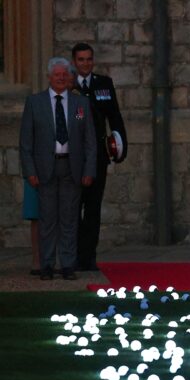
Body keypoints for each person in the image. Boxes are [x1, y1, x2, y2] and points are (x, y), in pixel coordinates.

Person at [19, 57, 96, 280]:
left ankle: (68, 265)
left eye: (64, 75)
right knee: (47, 220)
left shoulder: (80, 104)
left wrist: (89, 170)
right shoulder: (35, 103)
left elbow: (90, 140)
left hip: (72, 167)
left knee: (70, 219)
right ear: (49, 77)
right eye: (57, 75)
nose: (61, 78)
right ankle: (47, 265)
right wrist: (29, 171)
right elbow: (26, 143)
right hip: (44, 169)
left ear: (69, 77)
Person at [72, 42, 128, 272]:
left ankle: (89, 257)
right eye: (81, 60)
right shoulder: (68, 84)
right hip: (74, 158)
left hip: (98, 156)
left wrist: (121, 148)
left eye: (88, 59)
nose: (85, 63)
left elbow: (114, 117)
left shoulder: (103, 84)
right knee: (74, 208)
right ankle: (73, 256)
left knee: (93, 208)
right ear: (74, 62)